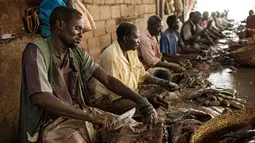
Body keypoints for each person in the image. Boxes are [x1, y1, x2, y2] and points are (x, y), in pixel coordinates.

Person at [19, 6, 156, 143]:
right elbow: (41, 98)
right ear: (61, 24)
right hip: (49, 122)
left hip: (78, 112)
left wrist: (140, 100)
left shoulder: (76, 52)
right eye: (77, 28)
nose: (81, 34)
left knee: (130, 128)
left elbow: (107, 79)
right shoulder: (37, 51)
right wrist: (89, 117)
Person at [93, 22, 179, 115]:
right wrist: (141, 100)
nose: (139, 41)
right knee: (145, 108)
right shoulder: (112, 57)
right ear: (126, 39)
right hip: (109, 99)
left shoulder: (131, 50)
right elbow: (115, 92)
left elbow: (143, 74)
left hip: (127, 94)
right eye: (136, 37)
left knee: (157, 96)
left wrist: (164, 83)